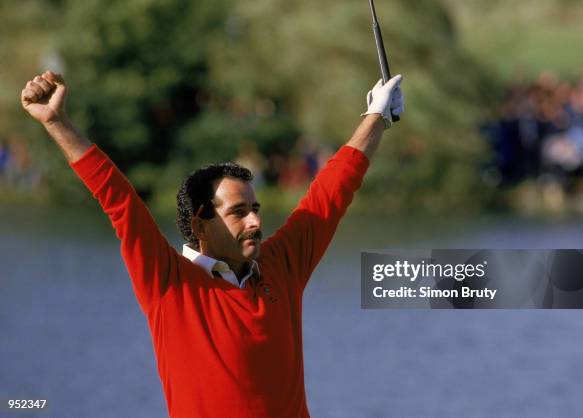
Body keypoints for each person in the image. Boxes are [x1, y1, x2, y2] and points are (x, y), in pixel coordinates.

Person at [21, 70, 404, 417]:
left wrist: (376, 118)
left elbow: (330, 194)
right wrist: (57, 122)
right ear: (200, 224)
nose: (255, 220)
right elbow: (119, 201)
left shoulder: (282, 267)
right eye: (239, 212)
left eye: (255, 208)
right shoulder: (169, 284)